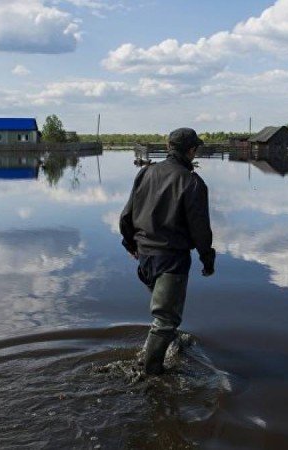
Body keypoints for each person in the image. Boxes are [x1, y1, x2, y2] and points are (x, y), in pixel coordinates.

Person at [119, 127, 216, 375]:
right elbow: (200, 229)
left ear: (168, 146)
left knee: (165, 313)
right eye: (196, 149)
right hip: (171, 260)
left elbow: (126, 215)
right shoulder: (193, 182)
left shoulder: (145, 172)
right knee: (166, 320)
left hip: (145, 258)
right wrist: (208, 259)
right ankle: (148, 373)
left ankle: (171, 345)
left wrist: (131, 244)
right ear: (192, 151)